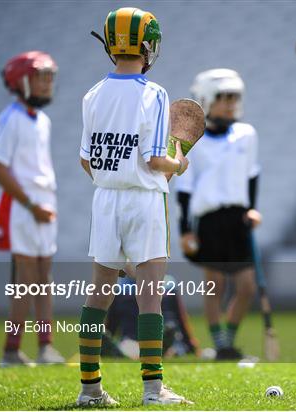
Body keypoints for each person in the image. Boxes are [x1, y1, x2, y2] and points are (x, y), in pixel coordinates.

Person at [76, 7, 191, 406]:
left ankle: (89, 388)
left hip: (104, 199)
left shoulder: (92, 95)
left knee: (99, 294)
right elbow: (157, 160)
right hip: (144, 201)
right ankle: (152, 390)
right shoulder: (154, 93)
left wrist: (115, 180)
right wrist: (178, 163)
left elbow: (87, 160)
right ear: (147, 46)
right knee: (150, 297)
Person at [0, 51, 65, 367]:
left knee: (44, 277)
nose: (47, 84)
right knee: (27, 279)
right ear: (21, 82)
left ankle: (45, 347)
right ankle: (11, 351)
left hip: (44, 208)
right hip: (22, 209)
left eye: (49, 77)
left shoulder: (41, 120)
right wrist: (32, 205)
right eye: (40, 77)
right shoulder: (9, 119)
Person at [176, 68, 261, 360]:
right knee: (216, 285)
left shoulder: (246, 135)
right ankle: (220, 344)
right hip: (209, 220)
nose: (230, 103)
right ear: (206, 99)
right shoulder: (193, 141)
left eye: (234, 97)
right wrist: (184, 229)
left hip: (238, 218)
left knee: (247, 286)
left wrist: (252, 208)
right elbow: (185, 188)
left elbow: (252, 176)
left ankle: (228, 340)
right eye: (223, 97)